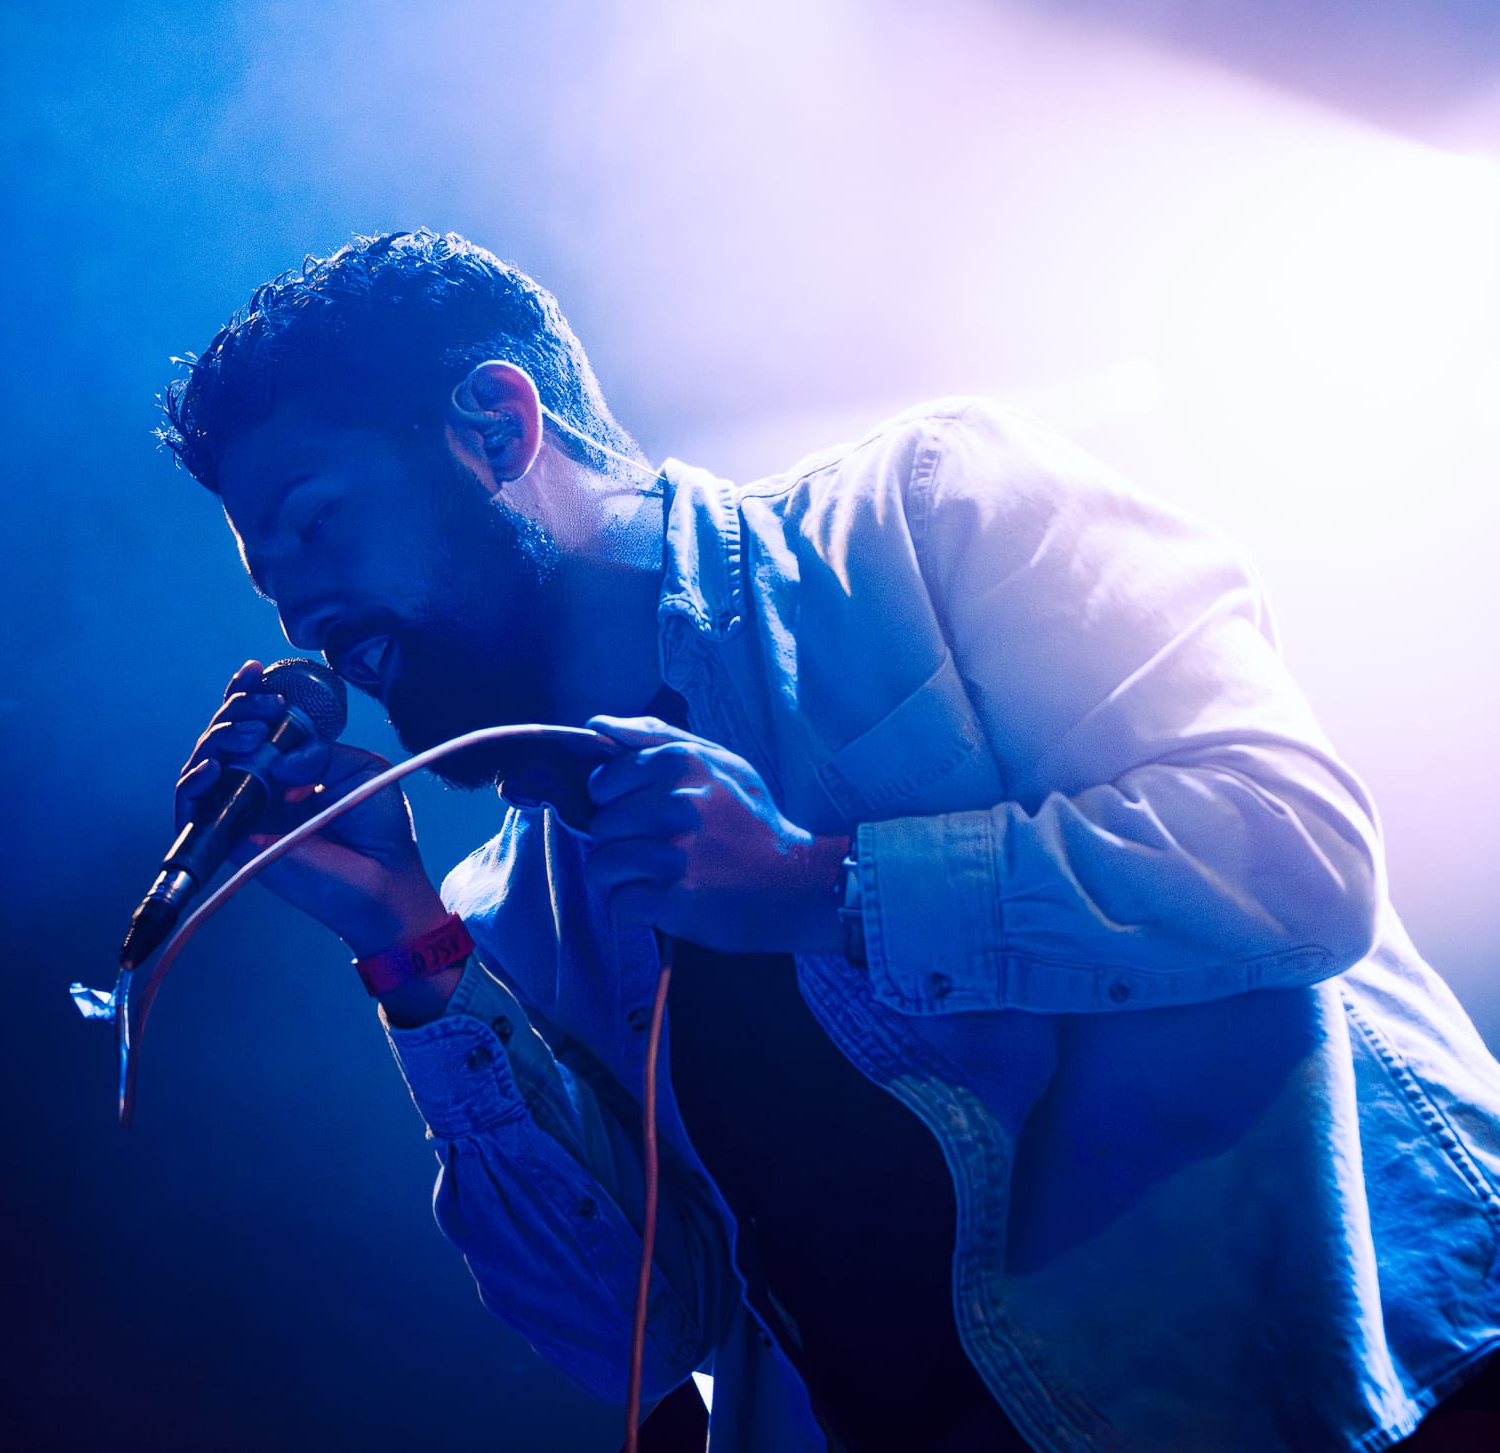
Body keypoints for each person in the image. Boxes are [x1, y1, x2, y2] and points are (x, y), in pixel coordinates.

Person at [156, 228, 1500, 1451]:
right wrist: (408, 945)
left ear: (499, 428)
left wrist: (822, 887)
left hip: (1376, 1400)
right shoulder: (502, 904)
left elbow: (1298, 855)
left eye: (319, 523)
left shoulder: (925, 511)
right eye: (272, 585)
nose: (302, 614)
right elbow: (636, 1344)